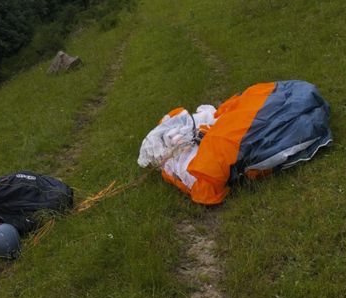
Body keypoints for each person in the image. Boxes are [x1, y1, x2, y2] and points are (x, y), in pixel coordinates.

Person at [138, 80, 332, 205]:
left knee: (283, 109)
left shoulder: (191, 161)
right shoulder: (193, 166)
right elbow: (207, 184)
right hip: (230, 140)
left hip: (232, 131)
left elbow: (206, 188)